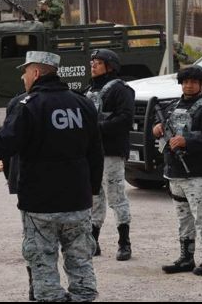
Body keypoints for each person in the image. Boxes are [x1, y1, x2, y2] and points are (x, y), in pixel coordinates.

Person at [0, 51, 104, 302]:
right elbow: (96, 151)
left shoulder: (30, 106)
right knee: (81, 262)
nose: (23, 78)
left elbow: (1, 146)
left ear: (36, 73)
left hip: (41, 202)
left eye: (25, 72)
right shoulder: (82, 103)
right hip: (78, 200)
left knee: (43, 265)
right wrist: (91, 189)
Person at [153, 65, 202, 277]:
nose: (189, 85)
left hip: (198, 173)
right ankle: (186, 258)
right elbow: (162, 127)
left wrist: (187, 140)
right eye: (185, 81)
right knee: (183, 218)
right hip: (175, 172)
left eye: (193, 82)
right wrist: (156, 129)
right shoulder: (173, 106)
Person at [85, 49, 135, 261]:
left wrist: (97, 128)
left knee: (116, 197)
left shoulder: (121, 90)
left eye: (98, 62)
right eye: (92, 62)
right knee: (94, 198)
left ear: (110, 66)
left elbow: (125, 118)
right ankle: (93, 241)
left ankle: (124, 242)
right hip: (91, 152)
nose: (93, 65)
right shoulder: (88, 90)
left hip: (111, 152)